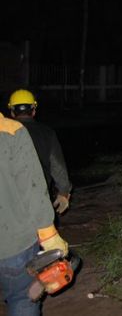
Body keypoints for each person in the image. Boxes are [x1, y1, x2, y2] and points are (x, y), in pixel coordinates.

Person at [1, 111, 69, 316]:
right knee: (23, 297)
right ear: (34, 109)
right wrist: (64, 191)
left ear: (13, 109)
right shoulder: (13, 131)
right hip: (14, 239)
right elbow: (50, 170)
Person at [7, 90, 72, 214]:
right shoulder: (47, 133)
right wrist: (63, 192)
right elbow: (58, 167)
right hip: (38, 197)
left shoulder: (3, 134)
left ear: (12, 112)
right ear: (34, 110)